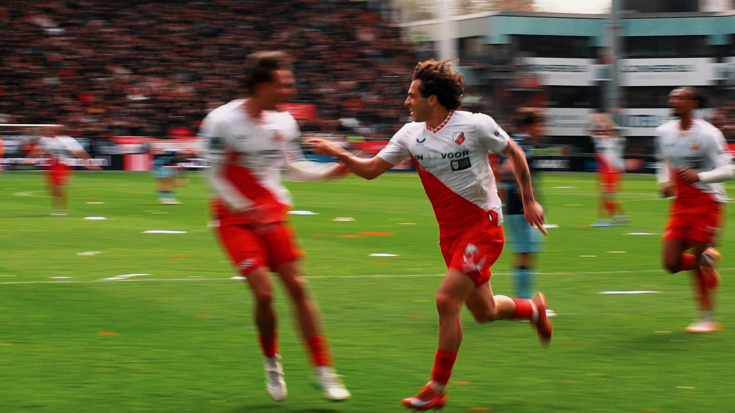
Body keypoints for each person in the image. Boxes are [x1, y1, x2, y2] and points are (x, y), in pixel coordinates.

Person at [311, 59, 551, 411]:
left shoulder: (475, 125)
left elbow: (513, 151)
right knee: (483, 312)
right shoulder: (410, 135)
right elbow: (372, 169)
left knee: (445, 301)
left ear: (433, 98)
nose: (406, 101)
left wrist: (529, 200)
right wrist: (339, 155)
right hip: (450, 236)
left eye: (412, 95)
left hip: (483, 227)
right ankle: (533, 309)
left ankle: (436, 388)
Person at [198, 51, 351, 403]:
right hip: (234, 218)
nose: (290, 87)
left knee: (298, 288)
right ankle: (272, 361)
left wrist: (330, 173)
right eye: (284, 82)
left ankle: (325, 372)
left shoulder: (284, 122)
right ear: (263, 84)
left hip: (274, 214)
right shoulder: (221, 120)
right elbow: (213, 174)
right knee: (265, 293)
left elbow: (293, 168)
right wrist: (247, 209)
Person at [655, 87, 735, 333]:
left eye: (680, 97)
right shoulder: (663, 132)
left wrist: (699, 175)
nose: (674, 101)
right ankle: (707, 260)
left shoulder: (709, 134)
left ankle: (706, 318)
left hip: (708, 201)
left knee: (698, 253)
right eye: (672, 97)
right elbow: (663, 161)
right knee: (670, 263)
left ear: (693, 103)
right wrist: (662, 182)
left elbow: (731, 170)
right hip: (681, 203)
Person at [498, 108, 545, 299]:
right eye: (540, 124)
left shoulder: (512, 142)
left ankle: (523, 298)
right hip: (521, 210)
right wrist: (528, 200)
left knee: (524, 253)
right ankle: (524, 300)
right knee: (525, 254)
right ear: (530, 125)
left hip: (514, 208)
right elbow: (507, 169)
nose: (542, 128)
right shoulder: (522, 145)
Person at [28, 125, 100, 216]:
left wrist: (89, 163)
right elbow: (38, 151)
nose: (49, 130)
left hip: (62, 165)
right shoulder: (44, 140)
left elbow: (79, 152)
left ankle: (61, 208)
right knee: (51, 189)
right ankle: (56, 207)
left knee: (58, 187)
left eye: (52, 129)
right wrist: (29, 159)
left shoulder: (68, 140)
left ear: (58, 131)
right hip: (50, 165)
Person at [588, 113, 629, 226]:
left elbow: (611, 129)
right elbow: (589, 131)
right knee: (604, 196)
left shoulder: (616, 141)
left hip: (612, 170)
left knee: (606, 196)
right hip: (604, 169)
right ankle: (619, 217)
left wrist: (603, 120)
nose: (603, 132)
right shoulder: (602, 140)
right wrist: (593, 121)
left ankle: (603, 220)